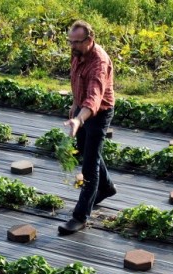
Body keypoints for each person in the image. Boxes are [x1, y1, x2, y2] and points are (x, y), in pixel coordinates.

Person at [58, 20, 116, 235]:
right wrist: (74, 107)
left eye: (76, 42)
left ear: (89, 40)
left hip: (99, 114)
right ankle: (108, 188)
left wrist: (79, 119)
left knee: (89, 167)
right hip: (81, 112)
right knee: (86, 152)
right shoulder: (78, 54)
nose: (72, 46)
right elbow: (77, 84)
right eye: (70, 41)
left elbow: (94, 97)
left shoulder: (99, 63)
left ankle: (80, 217)